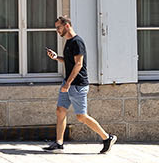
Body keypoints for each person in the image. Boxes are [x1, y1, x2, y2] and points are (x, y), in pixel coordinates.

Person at [43, 15, 116, 153]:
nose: (57, 30)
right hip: (69, 83)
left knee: (81, 116)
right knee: (60, 110)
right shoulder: (69, 42)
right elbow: (70, 61)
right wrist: (56, 57)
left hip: (77, 85)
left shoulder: (77, 42)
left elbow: (78, 64)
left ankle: (107, 138)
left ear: (67, 26)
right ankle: (59, 143)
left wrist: (68, 84)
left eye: (58, 27)